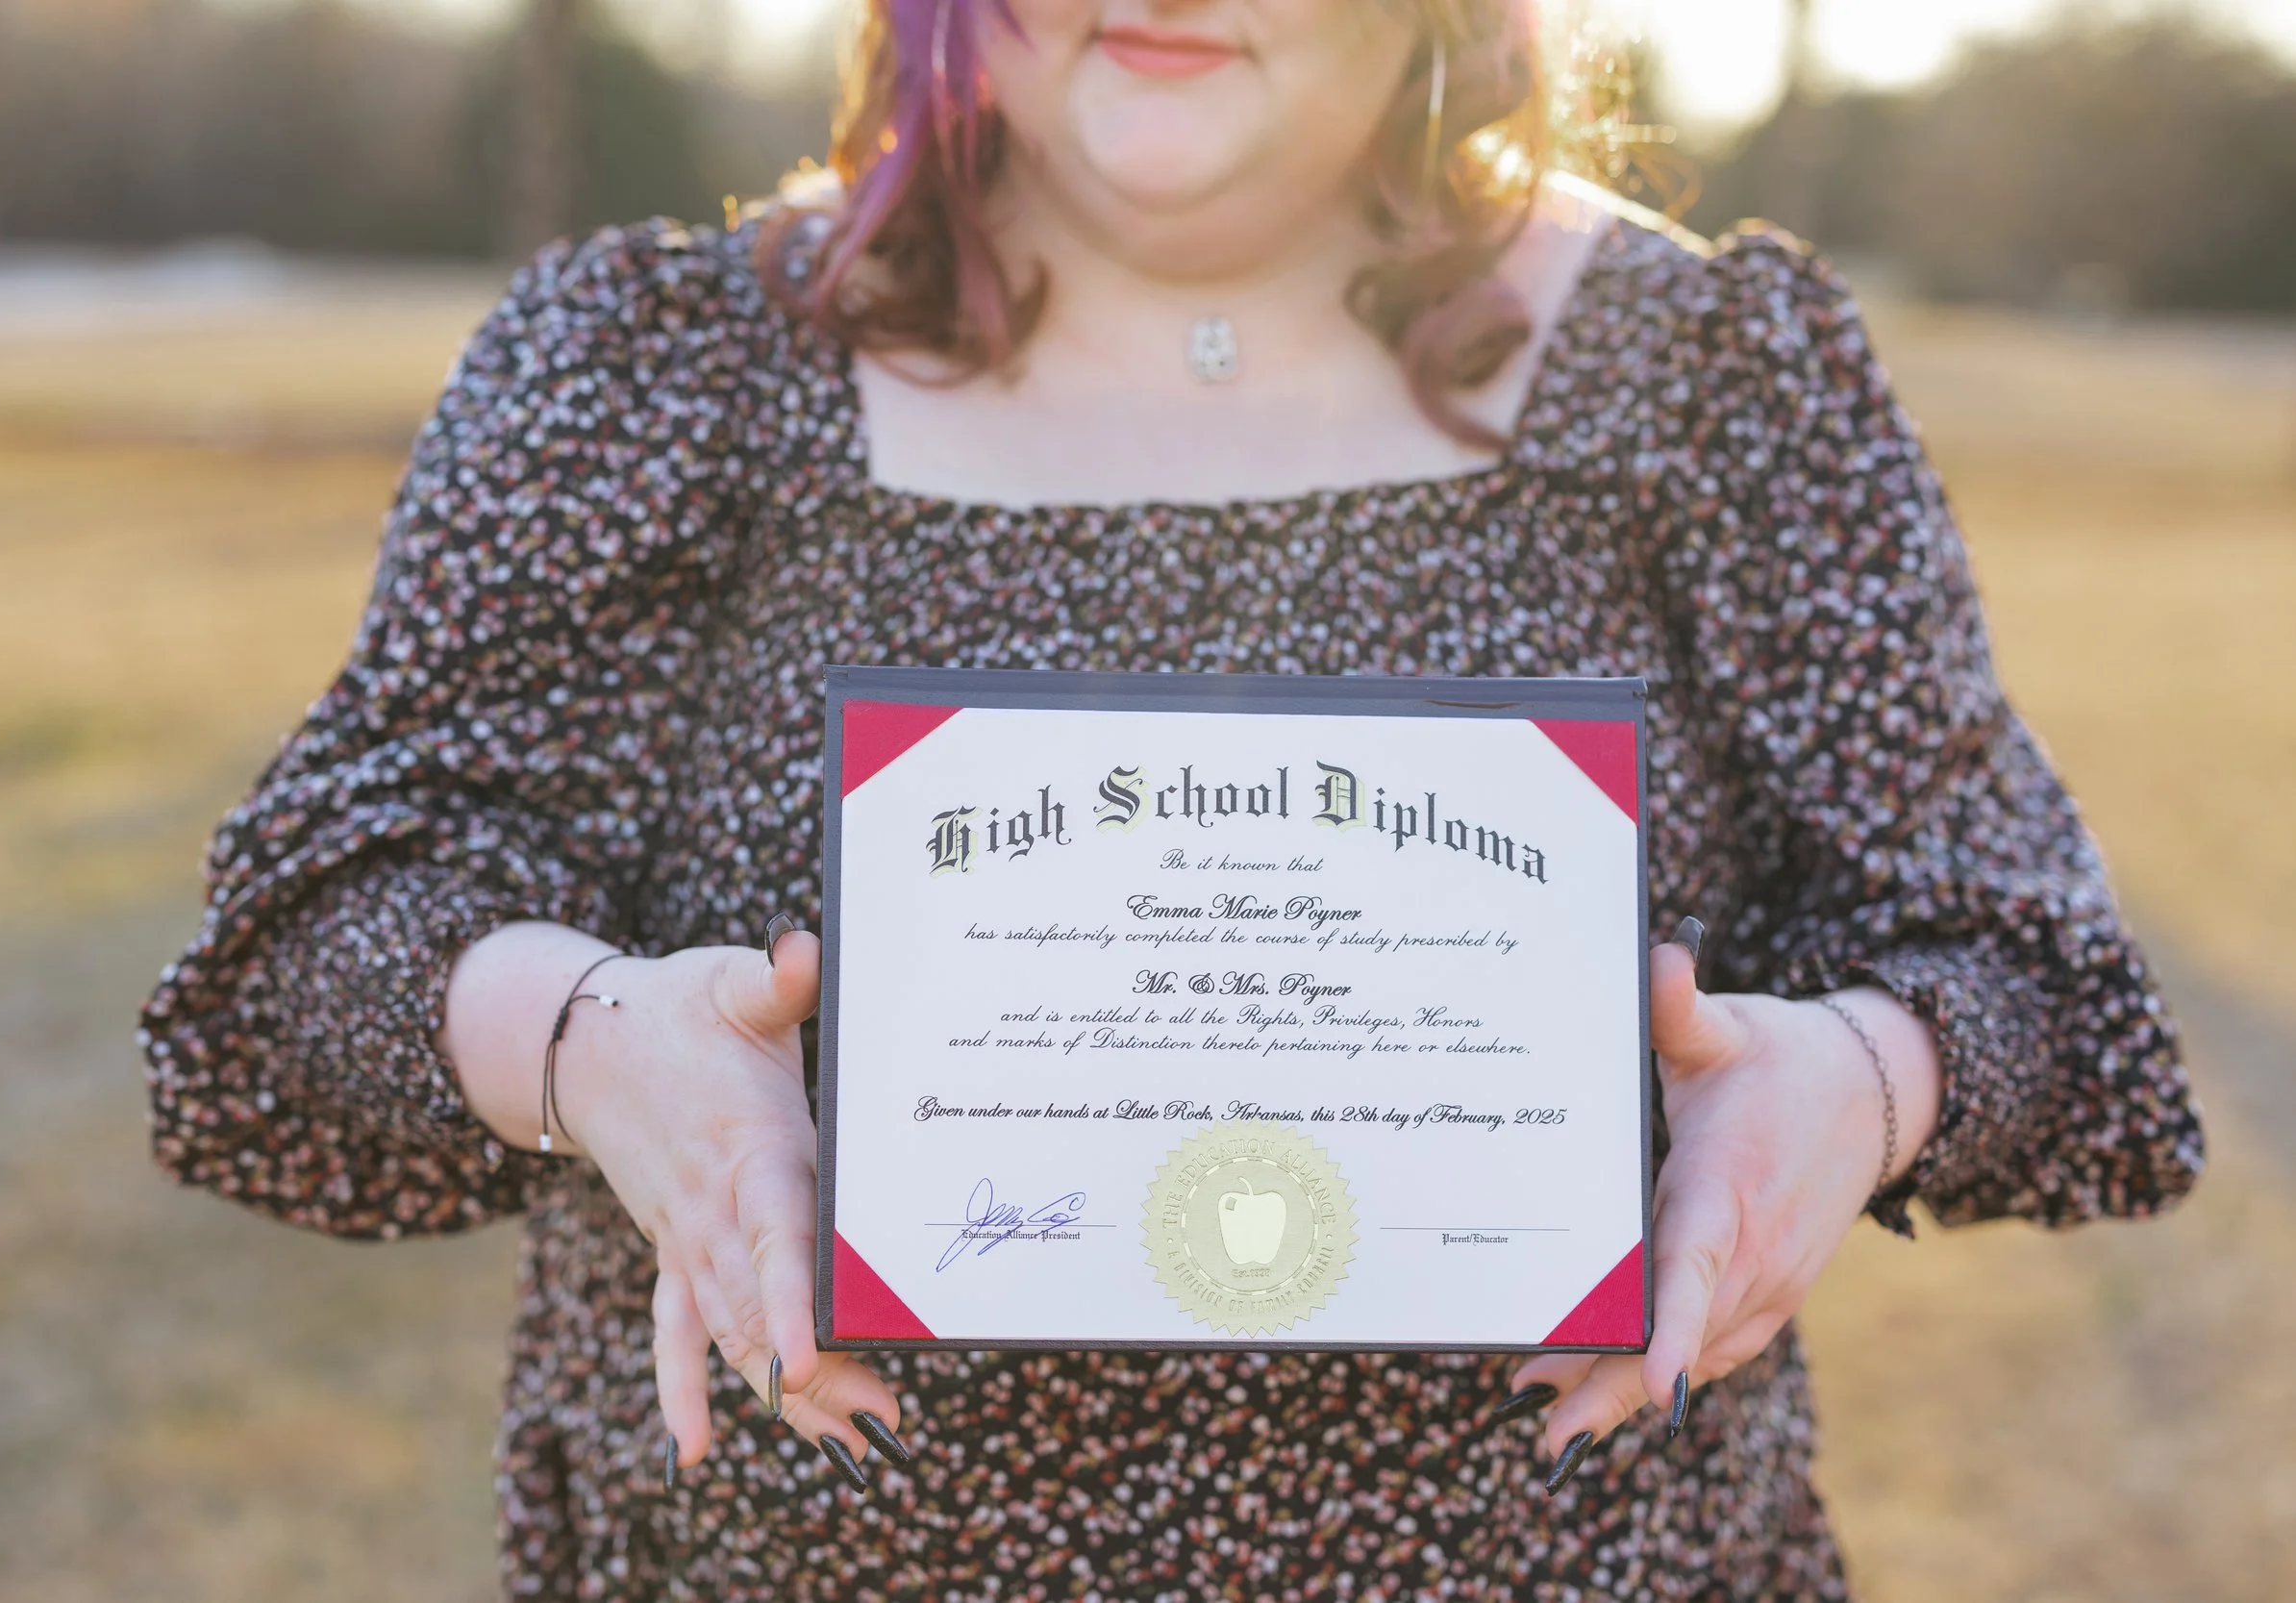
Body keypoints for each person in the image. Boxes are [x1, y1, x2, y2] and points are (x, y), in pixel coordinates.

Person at [138, 1, 2205, 1596]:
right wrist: (592, 1042)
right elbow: (305, 954)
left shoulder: (1715, 374)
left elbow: (2033, 975)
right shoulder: (662, 362)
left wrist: (1852, 1074)